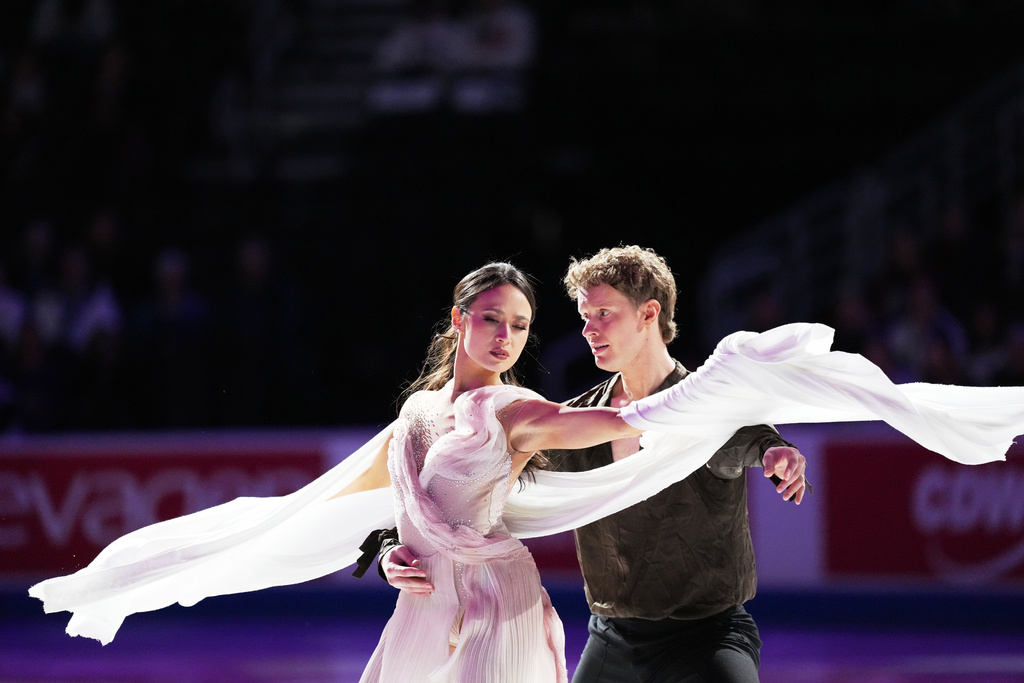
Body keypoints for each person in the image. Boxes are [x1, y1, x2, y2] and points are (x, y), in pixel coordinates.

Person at [30, 262, 1024, 683]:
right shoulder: (421, 412)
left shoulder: (531, 410)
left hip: (539, 605)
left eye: (520, 323)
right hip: (447, 605)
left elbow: (624, 433)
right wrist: (385, 554)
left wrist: (725, 407)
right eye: (493, 319)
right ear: (457, 320)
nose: (509, 334)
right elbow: (368, 507)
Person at [381, 246, 809, 682]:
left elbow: (735, 432)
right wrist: (387, 545)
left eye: (603, 313)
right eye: (585, 316)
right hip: (612, 639)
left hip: (707, 637)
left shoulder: (705, 406)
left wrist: (772, 450)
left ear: (648, 314)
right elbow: (457, 496)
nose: (588, 329)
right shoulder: (578, 416)